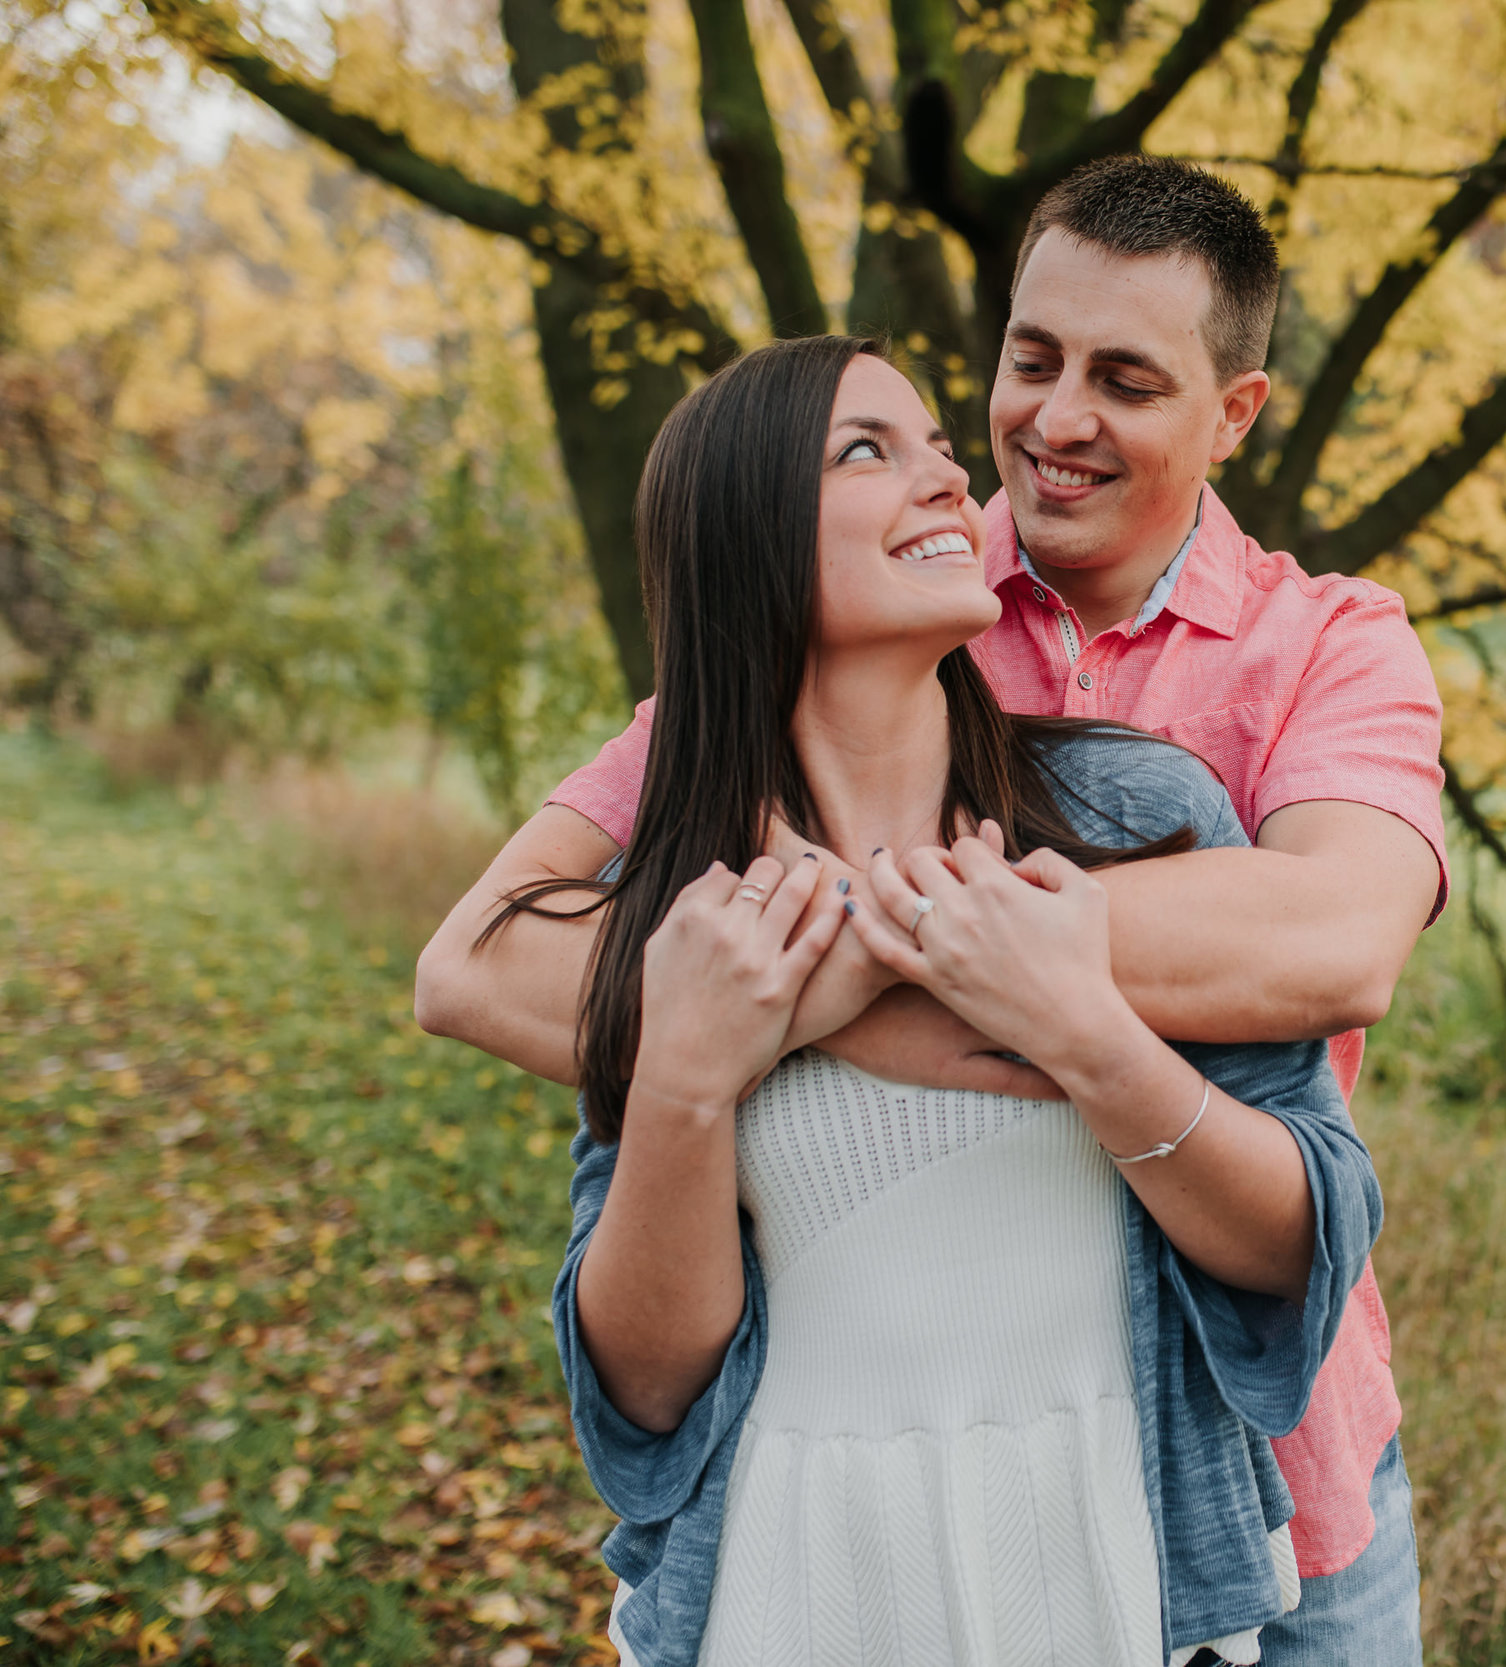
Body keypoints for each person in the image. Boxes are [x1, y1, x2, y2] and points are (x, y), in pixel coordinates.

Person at [417, 157, 1446, 1662]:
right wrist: (785, 1012)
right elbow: (481, 966)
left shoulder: (1324, 650)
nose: (1054, 420)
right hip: (845, 1513)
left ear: (1232, 415)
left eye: (1127, 379)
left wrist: (878, 980)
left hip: (1275, 1479)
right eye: (1031, 361)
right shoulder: (858, 609)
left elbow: (1334, 943)